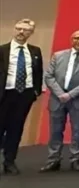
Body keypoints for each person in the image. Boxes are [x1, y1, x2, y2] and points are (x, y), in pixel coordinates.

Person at [41, 29, 79, 172]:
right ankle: (53, 159)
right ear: (71, 39)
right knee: (55, 131)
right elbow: (49, 76)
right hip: (57, 99)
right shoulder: (58, 55)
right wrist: (60, 93)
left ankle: (75, 159)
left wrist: (70, 95)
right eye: (77, 38)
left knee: (78, 131)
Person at [0, 19, 45, 174]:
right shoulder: (3, 50)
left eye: (25, 30)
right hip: (4, 94)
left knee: (16, 129)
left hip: (24, 95)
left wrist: (36, 92)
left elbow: (38, 72)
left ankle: (9, 161)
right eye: (18, 28)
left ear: (30, 33)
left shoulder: (35, 51)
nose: (21, 32)